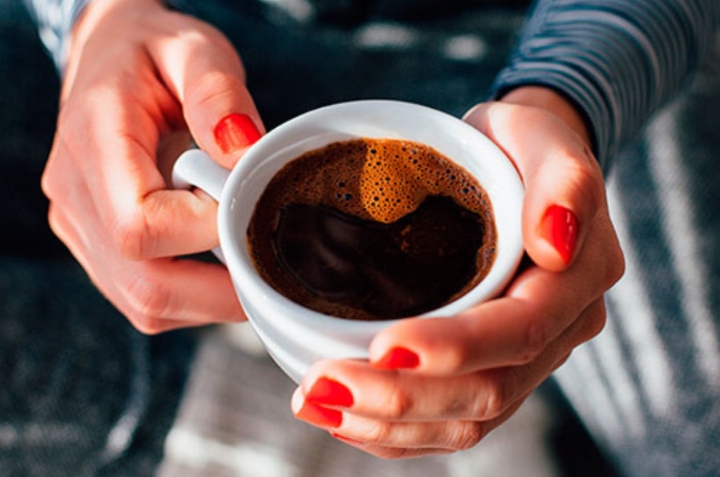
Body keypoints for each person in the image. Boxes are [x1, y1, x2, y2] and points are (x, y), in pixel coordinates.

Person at [4, 0, 720, 474]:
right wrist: (95, 24)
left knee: (700, 440)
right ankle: (260, 438)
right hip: (193, 46)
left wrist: (569, 96)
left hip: (532, 71)